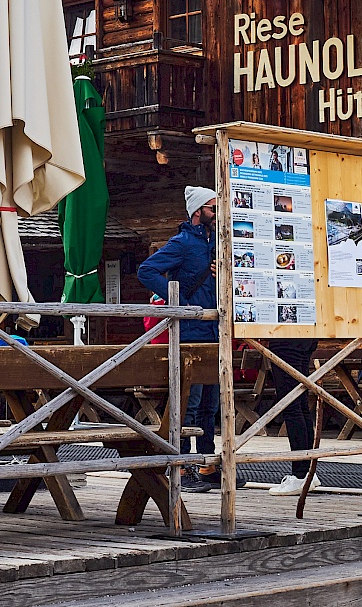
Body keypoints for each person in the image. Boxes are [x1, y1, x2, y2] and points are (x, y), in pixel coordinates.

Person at [138, 186, 245, 493]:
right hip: (190, 333)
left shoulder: (217, 242)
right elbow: (147, 271)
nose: (217, 213)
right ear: (198, 212)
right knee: (191, 402)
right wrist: (179, 298)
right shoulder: (182, 243)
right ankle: (183, 468)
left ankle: (207, 465)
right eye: (213, 208)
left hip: (213, 332)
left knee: (212, 402)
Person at [267, 337, 321, 495]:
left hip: (285, 339)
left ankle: (300, 474)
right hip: (305, 336)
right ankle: (308, 471)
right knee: (300, 404)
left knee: (292, 406)